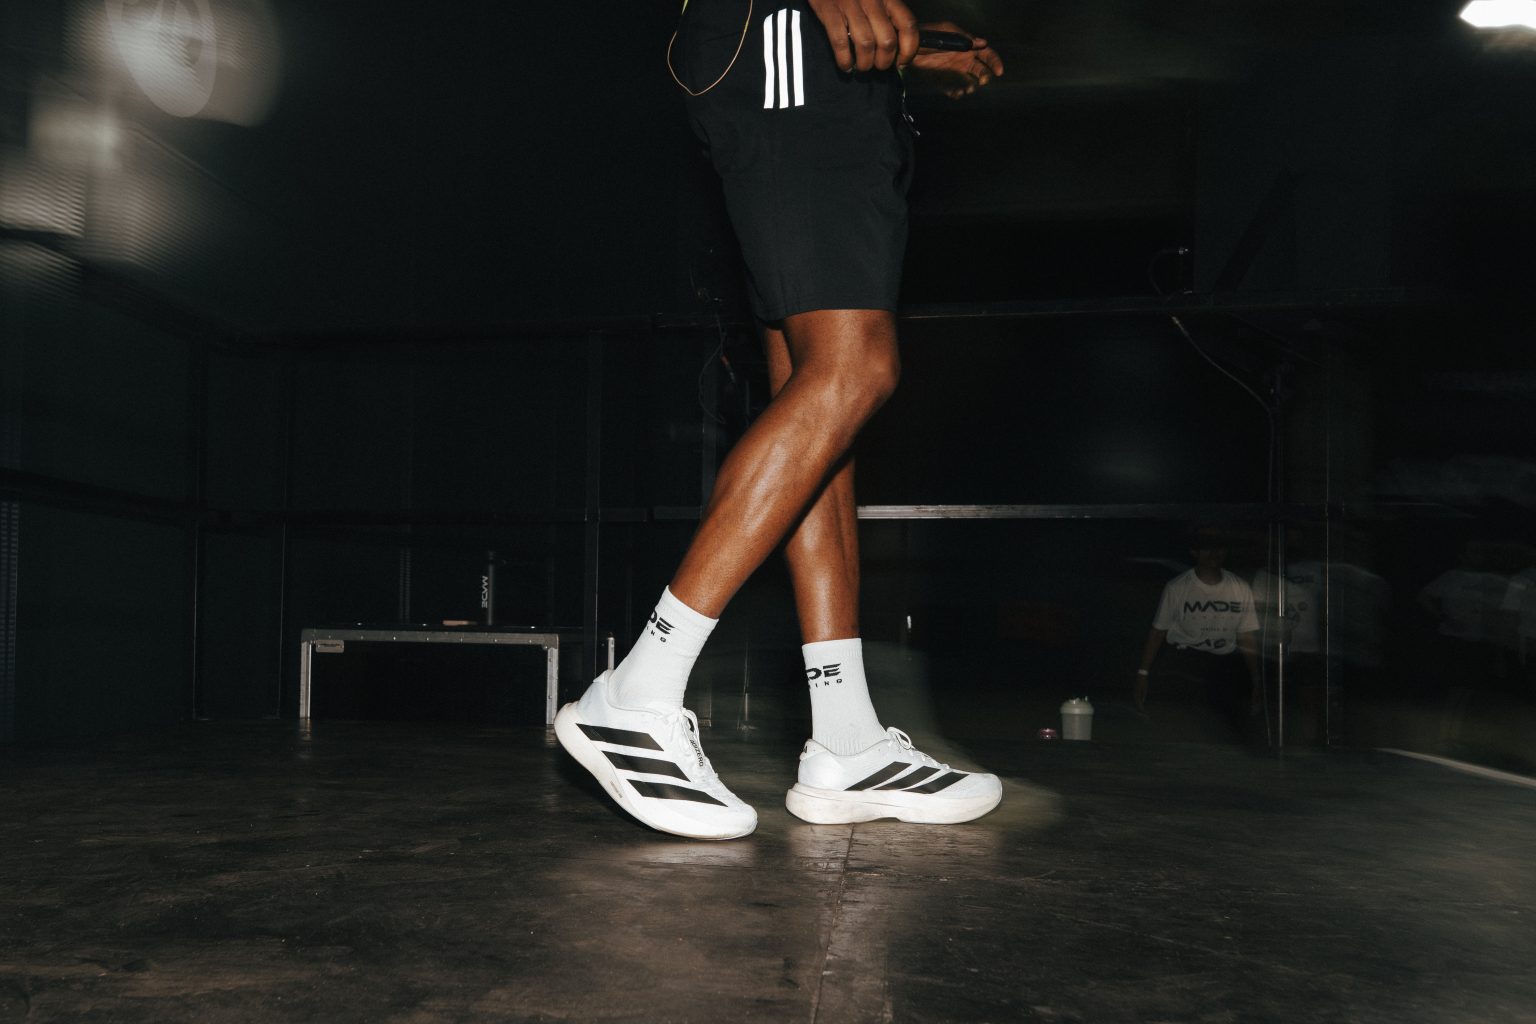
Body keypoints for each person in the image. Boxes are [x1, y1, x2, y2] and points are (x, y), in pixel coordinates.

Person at [553, 0, 1006, 839]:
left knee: (819, 404)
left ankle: (846, 739)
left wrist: (892, 47)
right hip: (785, 51)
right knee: (856, 369)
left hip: (805, 61)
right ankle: (637, 692)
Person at [1135, 529, 1263, 741]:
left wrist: (1256, 679)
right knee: (1182, 728)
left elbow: (1246, 636)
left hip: (1223, 663)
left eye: (1219, 548)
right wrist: (1143, 673)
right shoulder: (1177, 587)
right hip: (1185, 660)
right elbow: (1158, 631)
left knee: (1224, 732)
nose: (1214, 553)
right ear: (1195, 552)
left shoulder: (1240, 587)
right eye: (1207, 548)